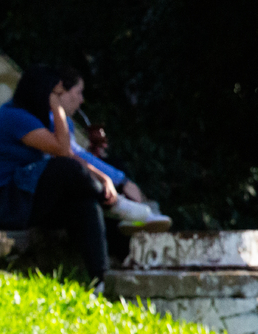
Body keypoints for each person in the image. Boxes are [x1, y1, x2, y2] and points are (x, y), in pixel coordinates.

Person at [0, 65, 121, 282]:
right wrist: (56, 107)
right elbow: (63, 152)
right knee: (63, 169)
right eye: (57, 94)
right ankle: (119, 207)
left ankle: (99, 279)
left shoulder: (31, 118)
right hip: (0, 202)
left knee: (84, 205)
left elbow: (70, 156)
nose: (60, 99)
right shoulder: (15, 116)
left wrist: (103, 177)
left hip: (23, 197)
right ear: (43, 92)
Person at [55, 67, 171, 233]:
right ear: (62, 91)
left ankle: (140, 213)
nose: (81, 100)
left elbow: (75, 152)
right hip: (55, 187)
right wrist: (121, 180)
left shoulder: (63, 120)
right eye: (79, 92)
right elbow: (72, 154)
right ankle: (138, 213)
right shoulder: (53, 118)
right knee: (112, 175)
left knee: (110, 164)